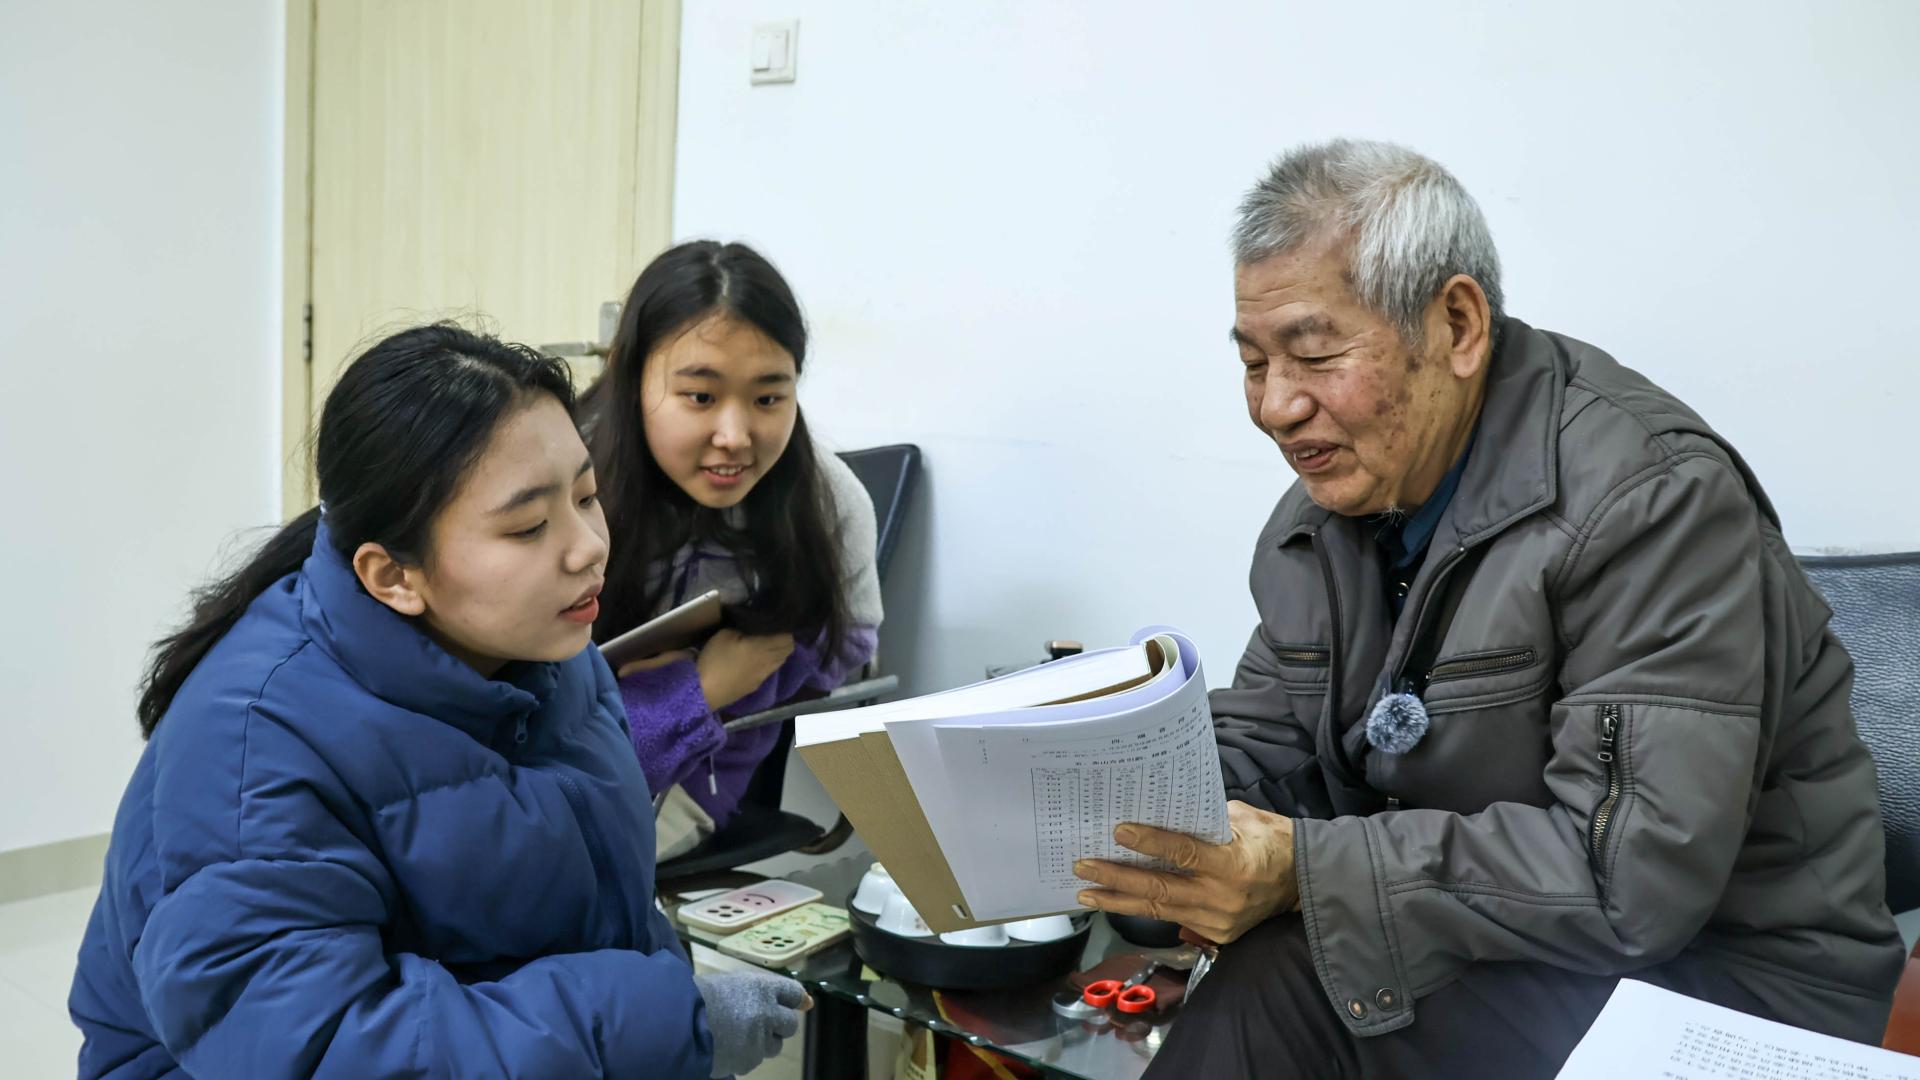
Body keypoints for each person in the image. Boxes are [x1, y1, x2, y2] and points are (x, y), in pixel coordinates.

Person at [1072, 140, 1905, 1077]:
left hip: (1724, 978)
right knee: (1279, 974)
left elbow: (1633, 881)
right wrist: (1131, 830)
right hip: (1503, 946)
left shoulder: (1652, 503)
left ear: (1458, 325)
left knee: (1286, 980)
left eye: (1313, 354)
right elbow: (1272, 748)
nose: (1275, 406)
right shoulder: (1326, 516)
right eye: (1255, 362)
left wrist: (1301, 870)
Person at [68, 324, 807, 1079]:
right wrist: (654, 1024)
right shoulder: (251, 749)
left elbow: (595, 905)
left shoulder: (549, 648)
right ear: (392, 577)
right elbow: (325, 1048)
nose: (587, 546)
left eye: (587, 495)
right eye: (526, 527)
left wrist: (664, 1006)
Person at [581, 240, 883, 859]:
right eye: (700, 396)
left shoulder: (828, 503)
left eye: (769, 398)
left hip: (691, 785)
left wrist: (729, 684)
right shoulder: (563, 484)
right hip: (547, 776)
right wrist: (693, 687)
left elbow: (846, 644)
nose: (735, 436)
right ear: (631, 377)